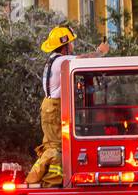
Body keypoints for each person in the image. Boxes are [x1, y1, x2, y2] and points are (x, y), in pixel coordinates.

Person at [25, 25, 109, 186]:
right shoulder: (62, 61)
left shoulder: (53, 60)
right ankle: (48, 183)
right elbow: (84, 60)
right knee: (57, 150)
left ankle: (39, 179)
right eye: (70, 43)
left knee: (52, 146)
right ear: (64, 46)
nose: (73, 46)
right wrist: (100, 51)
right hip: (54, 108)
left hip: (49, 107)